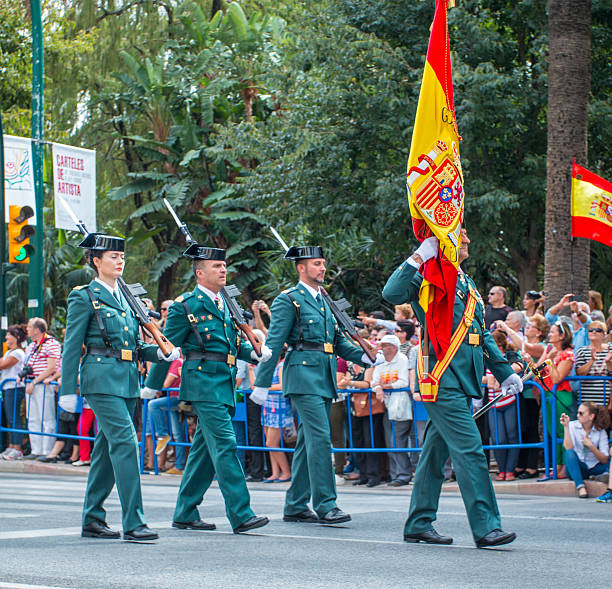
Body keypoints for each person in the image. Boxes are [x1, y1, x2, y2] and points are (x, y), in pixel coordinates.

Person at [383, 228, 521, 548]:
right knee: (471, 450)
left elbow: (481, 335)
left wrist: (503, 372)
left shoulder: (466, 283)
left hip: (462, 379)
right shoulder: (428, 278)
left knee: (434, 455)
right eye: (462, 235)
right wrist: (421, 254)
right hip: (441, 378)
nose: (469, 241)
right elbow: (391, 293)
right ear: (445, 241)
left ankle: (419, 522)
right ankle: (486, 526)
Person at [145, 241, 271, 534]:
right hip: (202, 383)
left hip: (224, 382)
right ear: (200, 273)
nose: (223, 270)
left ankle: (186, 512)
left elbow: (231, 345)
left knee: (204, 451)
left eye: (224, 265)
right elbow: (168, 347)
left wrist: (253, 353)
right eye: (217, 266)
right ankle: (241, 513)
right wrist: (152, 385)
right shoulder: (185, 306)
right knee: (226, 445)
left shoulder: (225, 302)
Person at [62, 232, 178, 541]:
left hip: (127, 379)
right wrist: (66, 392)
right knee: (126, 442)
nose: (120, 261)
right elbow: (72, 346)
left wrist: (165, 353)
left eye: (122, 257)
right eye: (113, 257)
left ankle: (93, 518)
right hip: (100, 379)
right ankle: (134, 521)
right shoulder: (84, 296)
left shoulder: (127, 299)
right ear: (96, 262)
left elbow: (136, 348)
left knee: (105, 450)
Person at [251, 244, 379, 525]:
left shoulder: (324, 300)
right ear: (301, 268)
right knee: (321, 439)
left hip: (323, 376)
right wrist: (261, 383)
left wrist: (367, 356)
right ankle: (326, 504)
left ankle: (296, 504)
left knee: (308, 441)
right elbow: (273, 343)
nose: (322, 268)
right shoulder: (289, 300)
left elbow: (337, 342)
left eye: (323, 263)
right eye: (317, 264)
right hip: (302, 376)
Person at [500, 314, 549, 478]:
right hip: (522, 392)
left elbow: (525, 346)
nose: (526, 328)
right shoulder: (523, 347)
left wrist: (507, 328)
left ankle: (532, 465)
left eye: (530, 326)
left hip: (533, 393)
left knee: (532, 428)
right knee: (523, 427)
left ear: (539, 332)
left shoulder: (541, 346)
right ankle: (521, 463)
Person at [372, 334, 413, 487]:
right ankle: (395, 473)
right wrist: (378, 388)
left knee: (398, 440)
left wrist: (383, 386)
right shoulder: (380, 362)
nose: (381, 348)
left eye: (384, 345)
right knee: (391, 441)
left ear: (393, 347)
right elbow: (374, 381)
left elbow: (403, 381)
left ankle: (403, 474)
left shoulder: (402, 360)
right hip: (387, 405)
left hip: (400, 404)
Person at [19, 318, 61, 459]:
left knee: (46, 417)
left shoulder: (51, 344)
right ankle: (35, 450)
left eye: (30, 327)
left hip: (42, 384)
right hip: (31, 383)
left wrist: (35, 382)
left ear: (37, 330)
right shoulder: (32, 345)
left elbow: (51, 367)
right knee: (32, 418)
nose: (27, 330)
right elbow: (28, 364)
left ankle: (46, 451)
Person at [485, 331, 523, 481]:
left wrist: (499, 374)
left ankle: (510, 470)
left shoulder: (509, 355)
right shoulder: (485, 358)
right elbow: (480, 377)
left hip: (509, 401)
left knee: (512, 436)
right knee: (498, 438)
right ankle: (501, 469)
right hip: (493, 404)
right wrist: (489, 377)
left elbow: (519, 365)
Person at [539, 320, 575, 475]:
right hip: (547, 395)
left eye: (553, 332)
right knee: (552, 431)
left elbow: (556, 378)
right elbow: (536, 372)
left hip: (560, 394)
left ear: (562, 336)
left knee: (562, 431)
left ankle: (564, 466)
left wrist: (550, 360)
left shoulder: (568, 354)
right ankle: (557, 464)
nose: (550, 334)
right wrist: (545, 358)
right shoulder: (548, 349)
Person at [560, 402, 611, 497]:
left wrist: (592, 447)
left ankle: (599, 476)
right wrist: (566, 427)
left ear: (591, 416)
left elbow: (604, 459)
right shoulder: (572, 426)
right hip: (579, 467)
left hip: (595, 467)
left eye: (581, 413)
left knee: (609, 460)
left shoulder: (600, 431)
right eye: (578, 413)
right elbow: (568, 447)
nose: (577, 415)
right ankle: (580, 487)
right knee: (569, 454)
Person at [149, 356, 186, 475]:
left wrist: (154, 382)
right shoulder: (170, 363)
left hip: (178, 398)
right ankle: (179, 466)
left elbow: (165, 384)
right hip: (173, 398)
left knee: (153, 404)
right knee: (178, 433)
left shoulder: (176, 362)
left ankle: (162, 434)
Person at [262, 354, 292, 483]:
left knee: (272, 443)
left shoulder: (281, 365)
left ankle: (286, 472)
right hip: (268, 408)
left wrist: (263, 388)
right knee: (269, 444)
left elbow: (282, 385)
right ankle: (275, 473)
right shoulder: (270, 366)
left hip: (278, 408)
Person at [0, 325, 27, 460]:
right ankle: (11, 446)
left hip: (14, 388)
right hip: (7, 388)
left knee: (14, 417)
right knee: (10, 417)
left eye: (8, 335)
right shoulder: (9, 352)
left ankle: (18, 448)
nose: (6, 338)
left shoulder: (18, 353)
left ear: (16, 337)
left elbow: (3, 365)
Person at [574, 320, 612, 405]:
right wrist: (592, 360)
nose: (594, 332)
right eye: (591, 330)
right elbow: (579, 374)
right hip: (587, 400)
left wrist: (608, 362)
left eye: (598, 330)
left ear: (605, 335)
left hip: (607, 400)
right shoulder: (582, 351)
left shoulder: (610, 349)